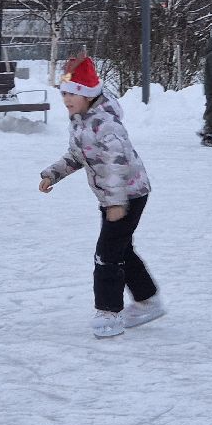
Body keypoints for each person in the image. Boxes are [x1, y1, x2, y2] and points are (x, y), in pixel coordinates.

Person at [38, 54, 160, 339]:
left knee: (106, 254)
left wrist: (117, 203)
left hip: (127, 196)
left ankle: (109, 313)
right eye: (64, 93)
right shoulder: (81, 121)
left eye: (72, 94)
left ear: (87, 94)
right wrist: (52, 174)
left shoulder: (106, 124)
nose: (66, 99)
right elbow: (77, 156)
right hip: (113, 198)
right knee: (121, 249)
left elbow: (119, 164)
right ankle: (148, 300)